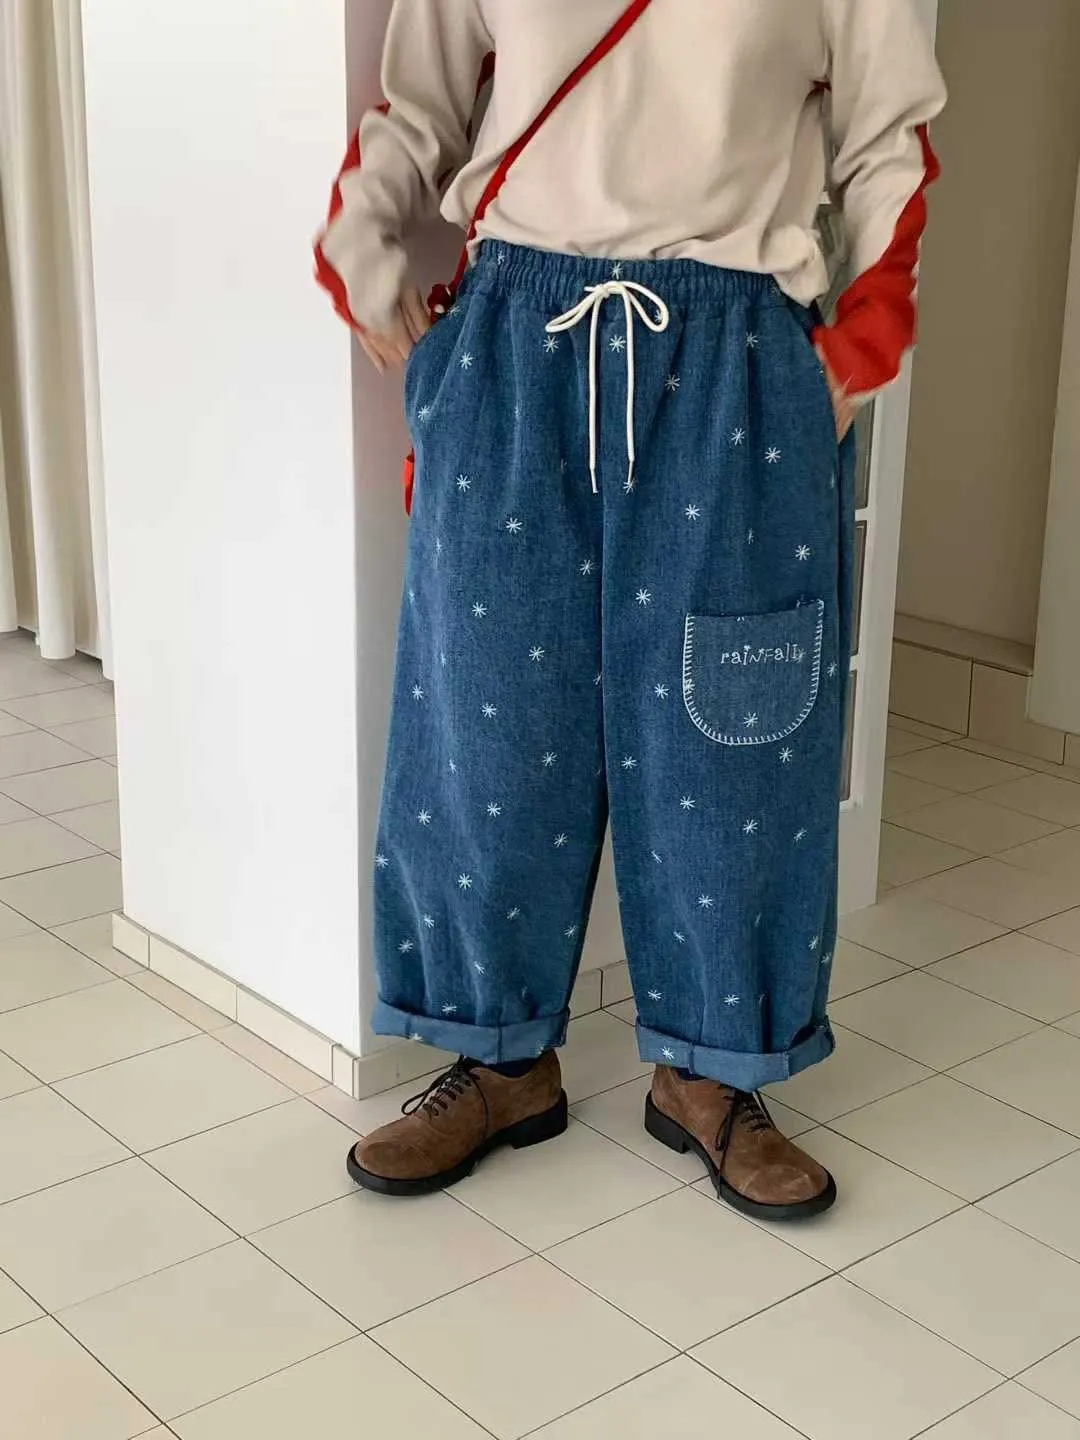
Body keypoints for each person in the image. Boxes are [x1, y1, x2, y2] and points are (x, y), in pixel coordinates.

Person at [316, 0, 945, 1221]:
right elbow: (416, 108)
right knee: (487, 725)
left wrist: (855, 348)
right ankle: (499, 1060)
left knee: (734, 743)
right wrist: (367, 261)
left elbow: (889, 139)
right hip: (513, 345)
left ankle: (712, 1073)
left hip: (737, 357)